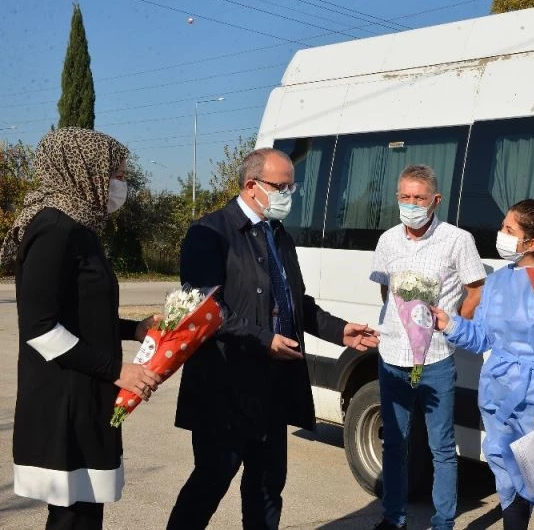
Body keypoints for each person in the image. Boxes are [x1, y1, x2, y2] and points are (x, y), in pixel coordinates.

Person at [167, 148, 379, 530]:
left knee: (267, 489)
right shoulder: (210, 233)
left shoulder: (277, 234)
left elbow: (295, 302)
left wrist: (340, 330)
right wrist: (264, 340)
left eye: (292, 186)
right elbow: (205, 310)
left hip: (273, 387)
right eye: (282, 186)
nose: (289, 194)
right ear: (252, 185)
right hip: (226, 387)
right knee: (209, 484)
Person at [1, 127, 162, 530]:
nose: (120, 184)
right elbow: (40, 329)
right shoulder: (54, 228)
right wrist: (118, 370)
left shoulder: (81, 229)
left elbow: (82, 314)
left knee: (83, 514)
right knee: (73, 517)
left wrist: (135, 329)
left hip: (86, 391)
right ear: (83, 171)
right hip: (63, 399)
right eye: (115, 174)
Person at [431, 199, 534, 530]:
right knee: (510, 488)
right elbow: (482, 337)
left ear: (531, 242)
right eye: (502, 226)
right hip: (499, 401)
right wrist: (448, 323)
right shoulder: (497, 281)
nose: (500, 233)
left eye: (508, 229)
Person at [369, 164, 486, 530]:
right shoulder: (388, 240)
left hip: (436, 359)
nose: (411, 204)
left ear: (436, 200)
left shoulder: (457, 240)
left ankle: (443, 522)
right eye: (404, 196)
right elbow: (386, 290)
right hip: (392, 358)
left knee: (442, 447)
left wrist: (453, 324)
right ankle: (394, 518)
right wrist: (402, 324)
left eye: (419, 198)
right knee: (394, 444)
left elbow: (476, 289)